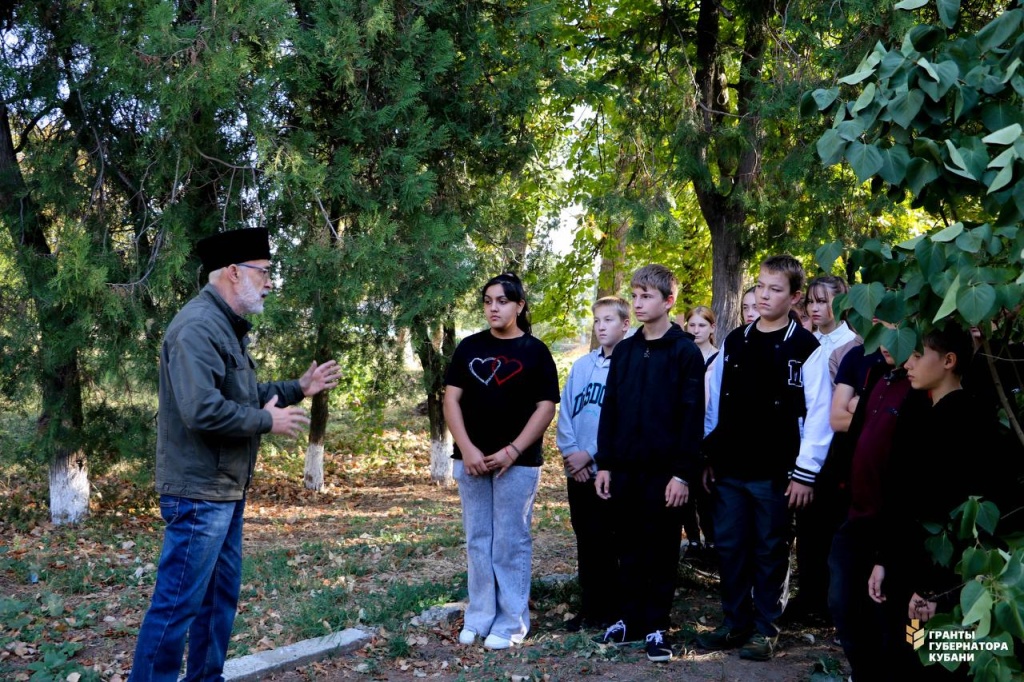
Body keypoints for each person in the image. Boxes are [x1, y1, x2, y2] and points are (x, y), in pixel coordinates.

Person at [129, 228, 342, 682]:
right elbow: (201, 410)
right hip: (198, 491)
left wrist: (297, 390)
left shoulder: (224, 327)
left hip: (223, 488)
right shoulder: (197, 327)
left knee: (217, 599)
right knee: (176, 606)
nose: (269, 283)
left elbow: (244, 394)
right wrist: (268, 421)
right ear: (232, 272)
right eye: (264, 273)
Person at [698, 254, 833, 661]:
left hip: (777, 472)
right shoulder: (735, 341)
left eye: (775, 289)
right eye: (759, 286)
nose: (764, 296)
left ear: (794, 297)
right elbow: (714, 404)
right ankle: (734, 623)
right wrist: (708, 452)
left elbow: (819, 414)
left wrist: (805, 474)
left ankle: (766, 628)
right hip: (730, 467)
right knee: (730, 546)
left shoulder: (807, 348)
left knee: (770, 549)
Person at [868, 324, 1010, 681]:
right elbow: (900, 496)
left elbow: (957, 509)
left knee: (934, 663)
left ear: (948, 360)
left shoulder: (970, 422)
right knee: (904, 657)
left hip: (939, 579)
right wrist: (884, 560)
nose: (908, 364)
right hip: (907, 570)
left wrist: (935, 590)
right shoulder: (921, 412)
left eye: (918, 355)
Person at [593, 264, 705, 662]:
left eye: (646, 296)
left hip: (665, 473)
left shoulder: (685, 352)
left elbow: (693, 418)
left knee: (659, 548)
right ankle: (630, 619)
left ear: (668, 301)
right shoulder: (624, 351)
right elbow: (611, 409)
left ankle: (657, 625)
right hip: (624, 468)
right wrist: (604, 463)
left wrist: (682, 474)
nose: (638, 303)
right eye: (635, 295)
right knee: (628, 544)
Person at [443, 272, 559, 651]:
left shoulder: (535, 351)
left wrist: (513, 450)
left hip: (518, 463)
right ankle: (479, 617)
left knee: (510, 541)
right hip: (472, 461)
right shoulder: (468, 347)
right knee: (479, 540)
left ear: (519, 306)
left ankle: (511, 623)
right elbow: (451, 400)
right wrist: (468, 449)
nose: (494, 307)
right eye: (488, 300)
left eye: (502, 301)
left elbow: (545, 408)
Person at [826, 340, 921, 682]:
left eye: (894, 330)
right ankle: (863, 672)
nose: (884, 343)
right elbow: (851, 433)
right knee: (845, 602)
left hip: (896, 520)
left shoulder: (921, 386)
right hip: (857, 516)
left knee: (900, 617)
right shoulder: (878, 375)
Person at [556, 296, 630, 632]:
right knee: (585, 538)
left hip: (608, 469)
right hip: (579, 471)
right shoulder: (583, 365)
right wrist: (573, 456)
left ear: (626, 324)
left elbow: (625, 421)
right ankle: (590, 607)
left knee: (611, 539)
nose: (601, 326)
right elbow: (566, 414)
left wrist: (592, 454)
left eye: (609, 320)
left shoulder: (630, 365)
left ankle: (613, 609)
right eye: (597, 320)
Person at [790, 275, 861, 623]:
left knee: (831, 527)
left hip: (838, 449)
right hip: (804, 444)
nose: (815, 308)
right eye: (811, 302)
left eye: (823, 301)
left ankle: (832, 604)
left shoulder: (851, 344)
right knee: (807, 529)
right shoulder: (808, 341)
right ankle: (809, 597)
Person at [682, 306, 719, 557]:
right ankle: (693, 539)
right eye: (692, 325)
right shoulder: (684, 354)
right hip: (686, 428)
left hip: (710, 429)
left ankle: (712, 539)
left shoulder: (719, 357)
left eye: (701, 325)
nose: (696, 330)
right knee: (685, 488)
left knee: (706, 490)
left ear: (712, 328)